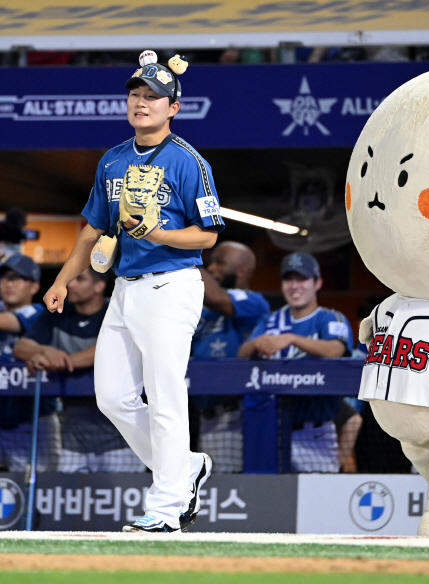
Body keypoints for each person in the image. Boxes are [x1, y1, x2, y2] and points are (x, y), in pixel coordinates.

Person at [41, 50, 224, 533]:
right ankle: (184, 467)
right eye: (136, 95)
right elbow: (90, 230)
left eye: (153, 97)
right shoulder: (113, 159)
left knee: (165, 397)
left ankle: (165, 509)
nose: (141, 103)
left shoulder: (189, 162)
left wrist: (157, 233)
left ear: (173, 108)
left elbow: (208, 236)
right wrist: (61, 279)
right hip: (125, 287)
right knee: (114, 397)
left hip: (172, 284)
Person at [15, 268, 144, 473]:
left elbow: (111, 348)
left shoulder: (119, 311)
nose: (70, 285)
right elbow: (21, 347)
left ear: (99, 286)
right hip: (72, 440)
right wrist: (45, 351)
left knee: (119, 504)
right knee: (63, 502)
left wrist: (61, 361)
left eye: (80, 279)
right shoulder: (57, 314)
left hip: (121, 440)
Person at [238, 252, 354, 472]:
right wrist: (258, 343)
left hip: (315, 433)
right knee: (270, 497)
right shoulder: (271, 319)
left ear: (317, 282)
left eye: (302, 279)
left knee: (317, 500)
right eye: (288, 279)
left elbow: (335, 350)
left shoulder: (329, 317)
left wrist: (291, 338)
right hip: (271, 427)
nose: (294, 286)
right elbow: (242, 354)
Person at [192, 241, 269, 472]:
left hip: (236, 417)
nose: (212, 268)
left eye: (220, 262)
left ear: (242, 270)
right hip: (204, 415)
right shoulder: (203, 309)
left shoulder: (255, 302)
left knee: (232, 488)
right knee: (209, 490)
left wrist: (187, 257)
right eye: (210, 262)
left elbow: (218, 299)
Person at [0, 254, 58, 472]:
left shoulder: (40, 314)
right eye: (5, 278)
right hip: (3, 414)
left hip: (33, 419)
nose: (9, 284)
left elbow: (8, 322)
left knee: (42, 488)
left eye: (17, 278)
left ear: (34, 287)